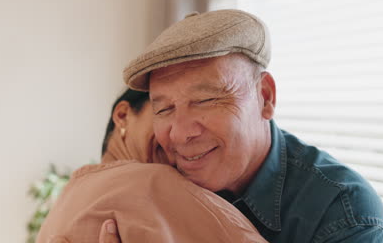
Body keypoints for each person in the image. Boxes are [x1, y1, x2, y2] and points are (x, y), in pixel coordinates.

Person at [110, 9, 383, 242]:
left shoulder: (341, 215)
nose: (181, 134)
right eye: (163, 108)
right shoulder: (160, 179)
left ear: (265, 97)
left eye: (206, 99)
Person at [36, 88, 267, 243]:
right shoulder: (151, 182)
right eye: (163, 111)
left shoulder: (70, 195)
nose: (177, 134)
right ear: (123, 115)